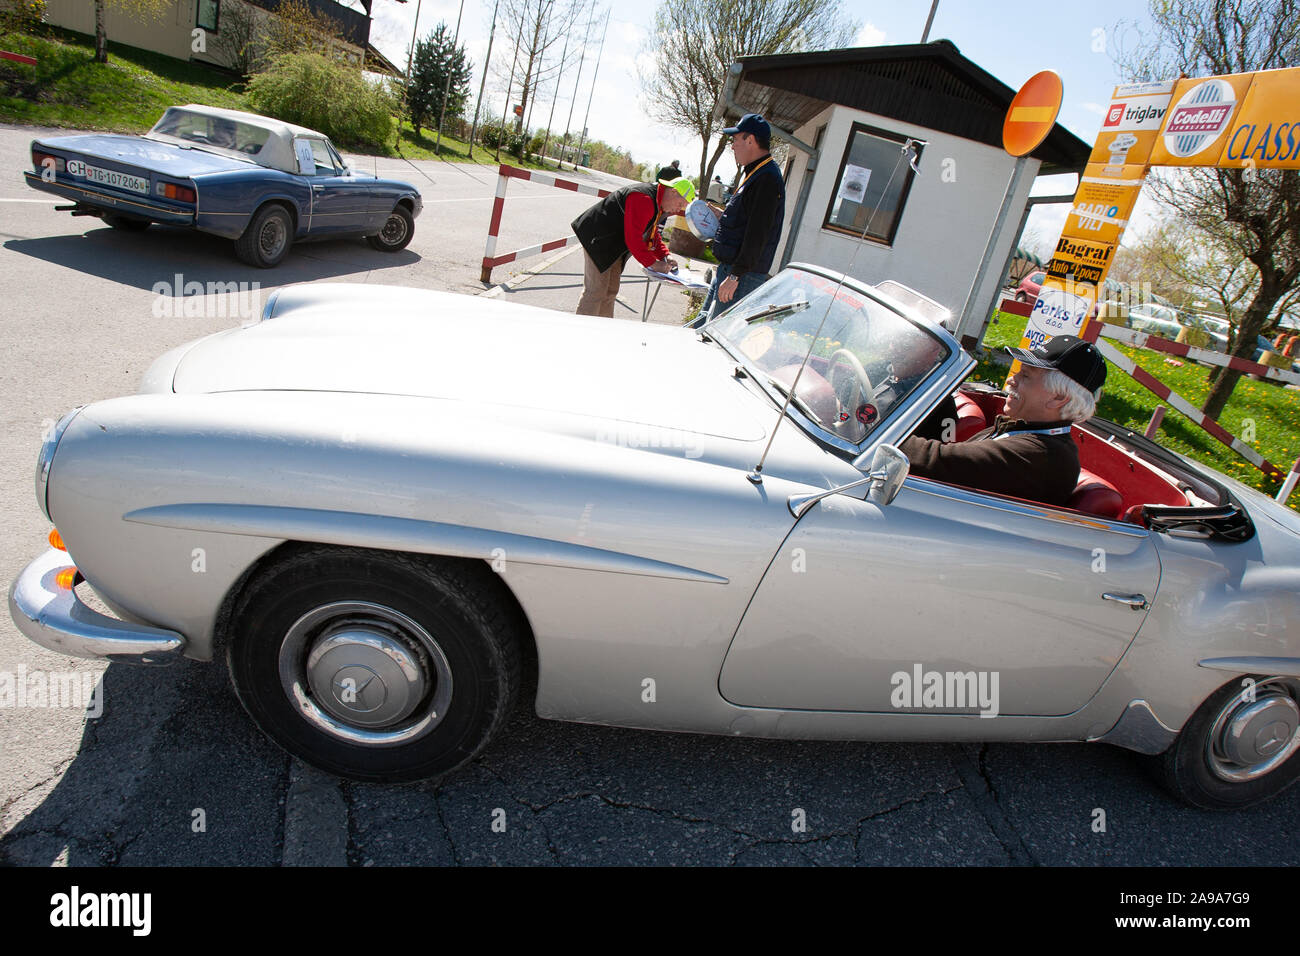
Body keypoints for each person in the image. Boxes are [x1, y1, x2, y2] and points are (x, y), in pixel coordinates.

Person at [900, 335, 1107, 506]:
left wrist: (872, 436)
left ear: (1058, 398)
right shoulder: (1025, 431)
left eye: (1025, 376)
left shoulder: (1040, 455)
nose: (1011, 380)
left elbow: (934, 460)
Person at [695, 114, 785, 325]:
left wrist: (735, 276)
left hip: (741, 276)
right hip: (732, 271)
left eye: (736, 140)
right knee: (700, 326)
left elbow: (758, 234)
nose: (733, 146)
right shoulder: (755, 173)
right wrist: (723, 215)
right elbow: (747, 219)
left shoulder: (767, 178)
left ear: (750, 140)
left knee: (712, 336)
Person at [571, 175, 695, 318]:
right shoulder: (645, 199)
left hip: (613, 243)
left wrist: (665, 255)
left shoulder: (657, 201)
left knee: (610, 291)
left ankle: (602, 332)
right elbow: (633, 239)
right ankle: (580, 333)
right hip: (597, 237)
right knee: (596, 291)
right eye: (680, 204)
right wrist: (653, 264)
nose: (677, 210)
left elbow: (651, 234)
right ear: (673, 192)